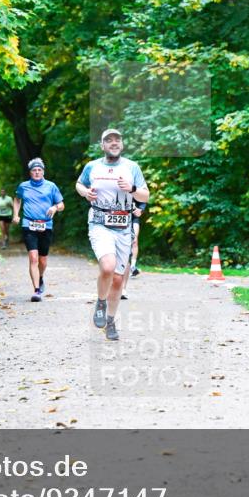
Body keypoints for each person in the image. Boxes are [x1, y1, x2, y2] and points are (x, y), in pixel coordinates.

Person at [75, 129, 149, 340]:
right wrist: (85, 192)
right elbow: (79, 184)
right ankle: (100, 301)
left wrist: (132, 188)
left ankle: (110, 321)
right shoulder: (93, 166)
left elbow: (145, 195)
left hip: (124, 226)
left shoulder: (132, 167)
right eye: (109, 140)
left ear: (122, 144)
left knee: (118, 280)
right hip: (100, 223)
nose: (113, 143)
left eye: (117, 140)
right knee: (107, 267)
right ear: (102, 145)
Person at [13, 158, 64, 302]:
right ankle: (36, 290)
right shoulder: (24, 186)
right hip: (28, 224)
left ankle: (40, 277)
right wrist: (16, 214)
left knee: (43, 260)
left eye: (39, 170)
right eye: (34, 170)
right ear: (30, 172)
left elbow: (61, 204)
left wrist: (54, 207)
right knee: (33, 257)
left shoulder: (51, 186)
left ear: (43, 171)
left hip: (46, 225)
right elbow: (17, 199)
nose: (37, 172)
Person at [120, 201, 146, 301]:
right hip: (119, 215)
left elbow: (143, 199)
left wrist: (141, 209)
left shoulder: (134, 185)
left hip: (133, 217)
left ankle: (133, 266)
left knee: (134, 240)